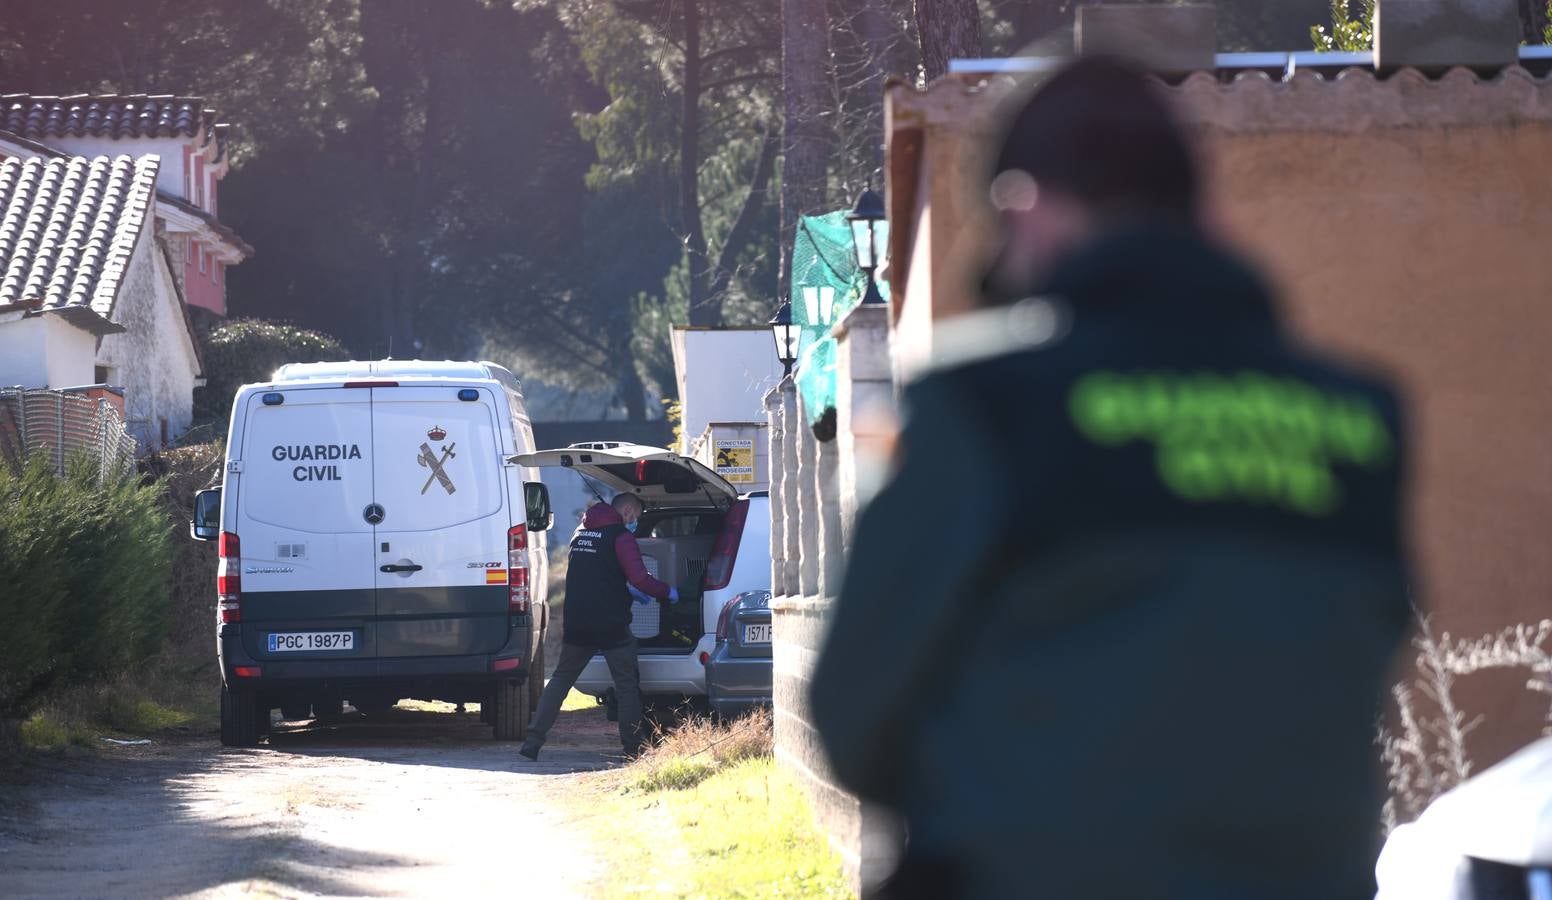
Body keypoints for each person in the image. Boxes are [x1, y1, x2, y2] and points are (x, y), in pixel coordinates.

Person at [808, 57, 1411, 899]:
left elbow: (853, 721)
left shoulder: (983, 404)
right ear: (1202, 212)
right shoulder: (1362, 417)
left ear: (1027, 206)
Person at [521, 493, 678, 760]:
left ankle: (532, 743)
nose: (636, 522)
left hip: (578, 621)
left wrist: (624, 587)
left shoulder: (580, 533)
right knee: (627, 686)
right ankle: (633, 749)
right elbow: (640, 577)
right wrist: (667, 591)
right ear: (627, 511)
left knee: (560, 680)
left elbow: (595, 573)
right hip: (612, 624)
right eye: (637, 516)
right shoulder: (621, 537)